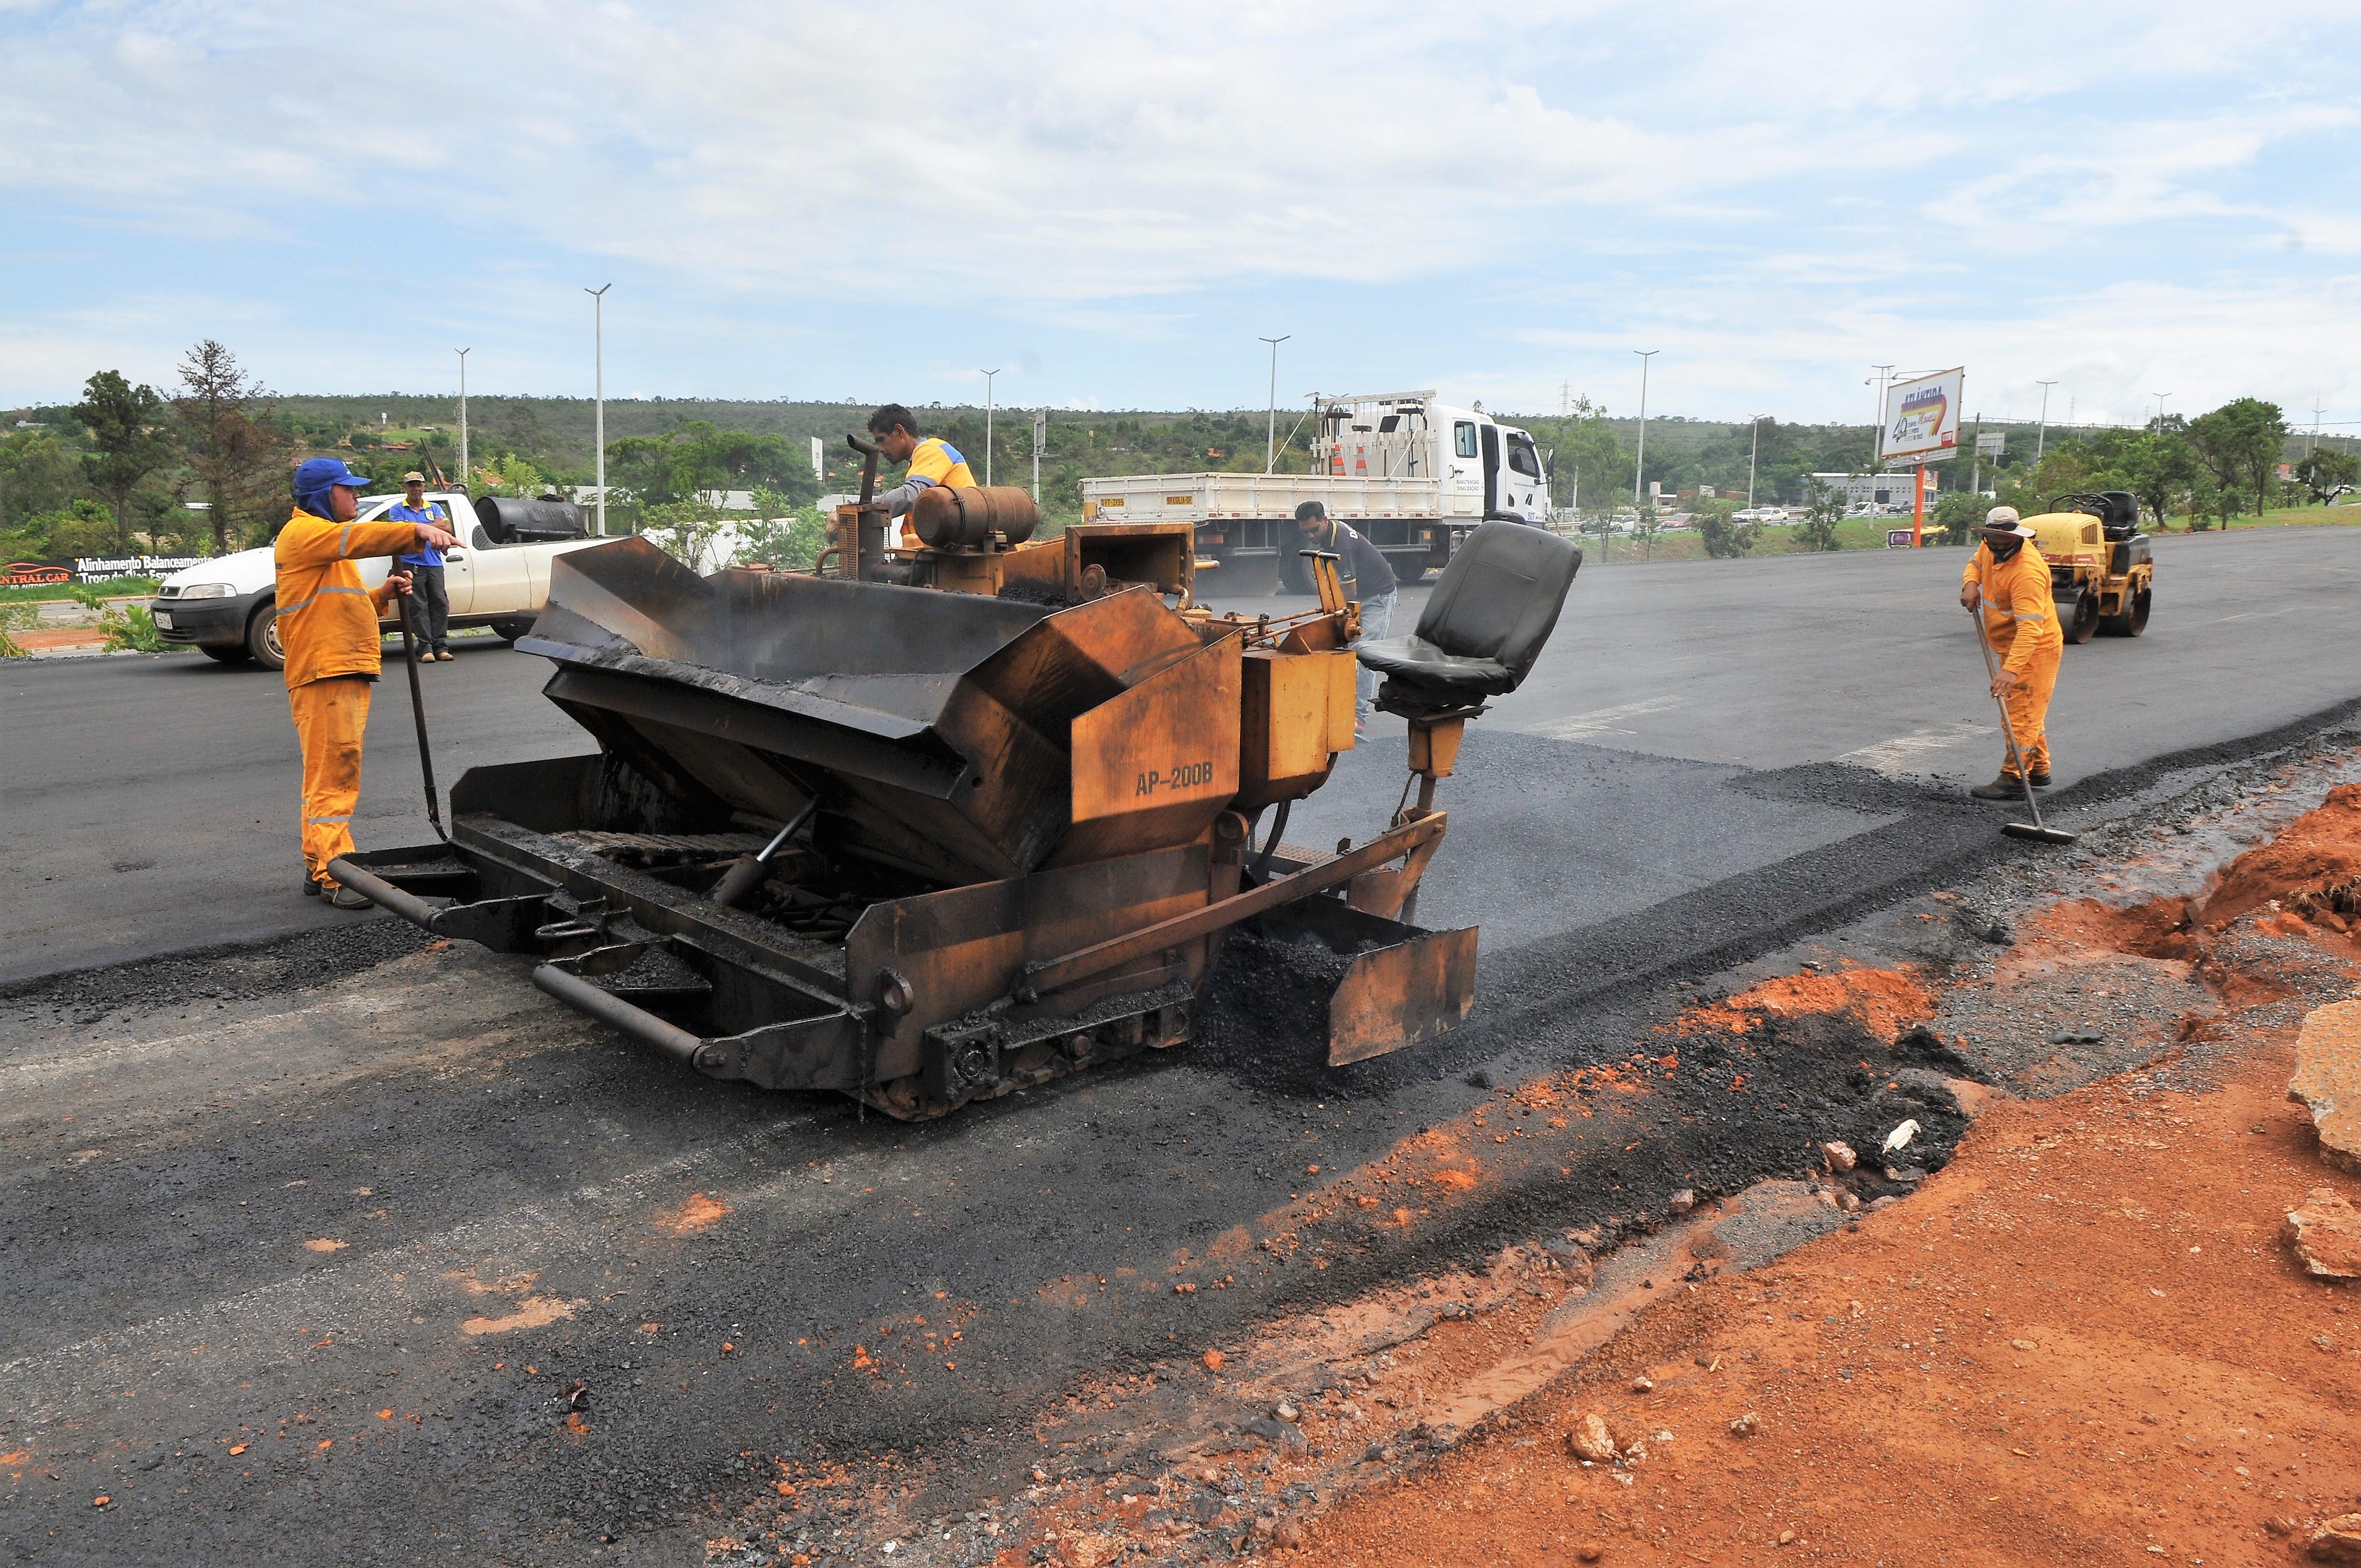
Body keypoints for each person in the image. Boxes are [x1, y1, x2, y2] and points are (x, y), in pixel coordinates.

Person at [276, 457, 459, 908]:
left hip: (335, 666)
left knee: (322, 774)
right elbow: (357, 539)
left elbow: (334, 607)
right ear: (322, 496)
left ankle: (318, 864)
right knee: (336, 775)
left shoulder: (322, 546)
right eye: (349, 490)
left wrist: (382, 595)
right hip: (327, 671)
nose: (357, 497)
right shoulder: (306, 534)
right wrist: (414, 530)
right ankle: (339, 872)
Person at [1957, 505, 2063, 800]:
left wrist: (2010, 671)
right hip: (2009, 643)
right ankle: (2039, 769)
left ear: (2017, 536)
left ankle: (2014, 778)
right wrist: (1971, 585)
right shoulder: (1989, 543)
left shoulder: (2027, 572)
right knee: (2029, 711)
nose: (2000, 549)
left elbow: (2031, 630)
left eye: (2007, 544)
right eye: (1996, 544)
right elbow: (1976, 565)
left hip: (2035, 650)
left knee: (2019, 717)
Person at [1293, 500, 1398, 737]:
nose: (1310, 536)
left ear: (1324, 521)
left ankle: (1358, 717)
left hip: (1378, 596)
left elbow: (1349, 592)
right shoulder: (1327, 537)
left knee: (1364, 653)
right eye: (1305, 532)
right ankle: (1336, 707)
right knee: (1341, 649)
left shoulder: (1341, 543)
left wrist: (1335, 613)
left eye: (1314, 530)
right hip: (1360, 595)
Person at [864, 404, 976, 547]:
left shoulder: (931, 449)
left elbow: (911, 495)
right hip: (945, 546)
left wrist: (863, 508)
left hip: (959, 546)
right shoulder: (917, 462)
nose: (880, 449)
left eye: (881, 440)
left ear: (899, 431)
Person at [390, 471, 454, 661]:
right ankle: (425, 647)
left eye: (419, 485)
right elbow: (401, 532)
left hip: (434, 563)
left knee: (440, 604)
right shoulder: (397, 509)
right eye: (412, 485)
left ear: (424, 487)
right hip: (412, 563)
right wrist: (430, 525)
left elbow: (447, 528)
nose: (416, 489)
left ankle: (441, 646)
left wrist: (417, 526)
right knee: (418, 606)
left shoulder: (434, 507)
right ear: (405, 488)